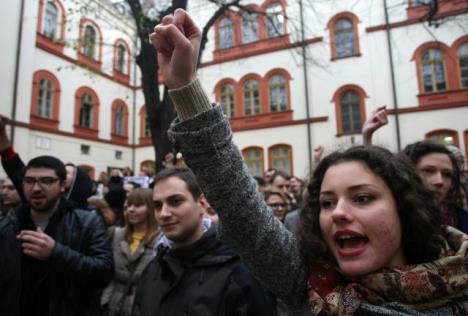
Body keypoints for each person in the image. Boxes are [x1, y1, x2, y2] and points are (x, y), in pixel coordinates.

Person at [149, 9, 468, 315]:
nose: (339, 213)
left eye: (363, 198)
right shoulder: (312, 285)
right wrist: (184, 85)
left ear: (405, 208)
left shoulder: (458, 286)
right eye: (327, 203)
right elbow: (236, 199)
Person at [132, 167, 274, 316]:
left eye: (175, 201)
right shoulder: (153, 269)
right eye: (157, 206)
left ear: (201, 204)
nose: (164, 214)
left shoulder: (238, 274)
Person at [14, 156, 113, 316]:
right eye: (29, 181)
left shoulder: (87, 221)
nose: (36, 188)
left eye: (47, 181)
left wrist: (55, 252)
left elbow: (103, 272)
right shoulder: (10, 223)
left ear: (62, 185)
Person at [101, 188, 160, 316]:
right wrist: (105, 301)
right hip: (113, 307)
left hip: (143, 308)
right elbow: (108, 274)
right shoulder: (115, 234)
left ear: (150, 208)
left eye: (138, 205)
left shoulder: (162, 239)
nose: (131, 209)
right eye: (128, 206)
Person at [403, 140, 468, 234]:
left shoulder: (462, 221)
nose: (440, 181)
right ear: (406, 172)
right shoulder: (391, 219)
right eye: (428, 171)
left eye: (447, 174)